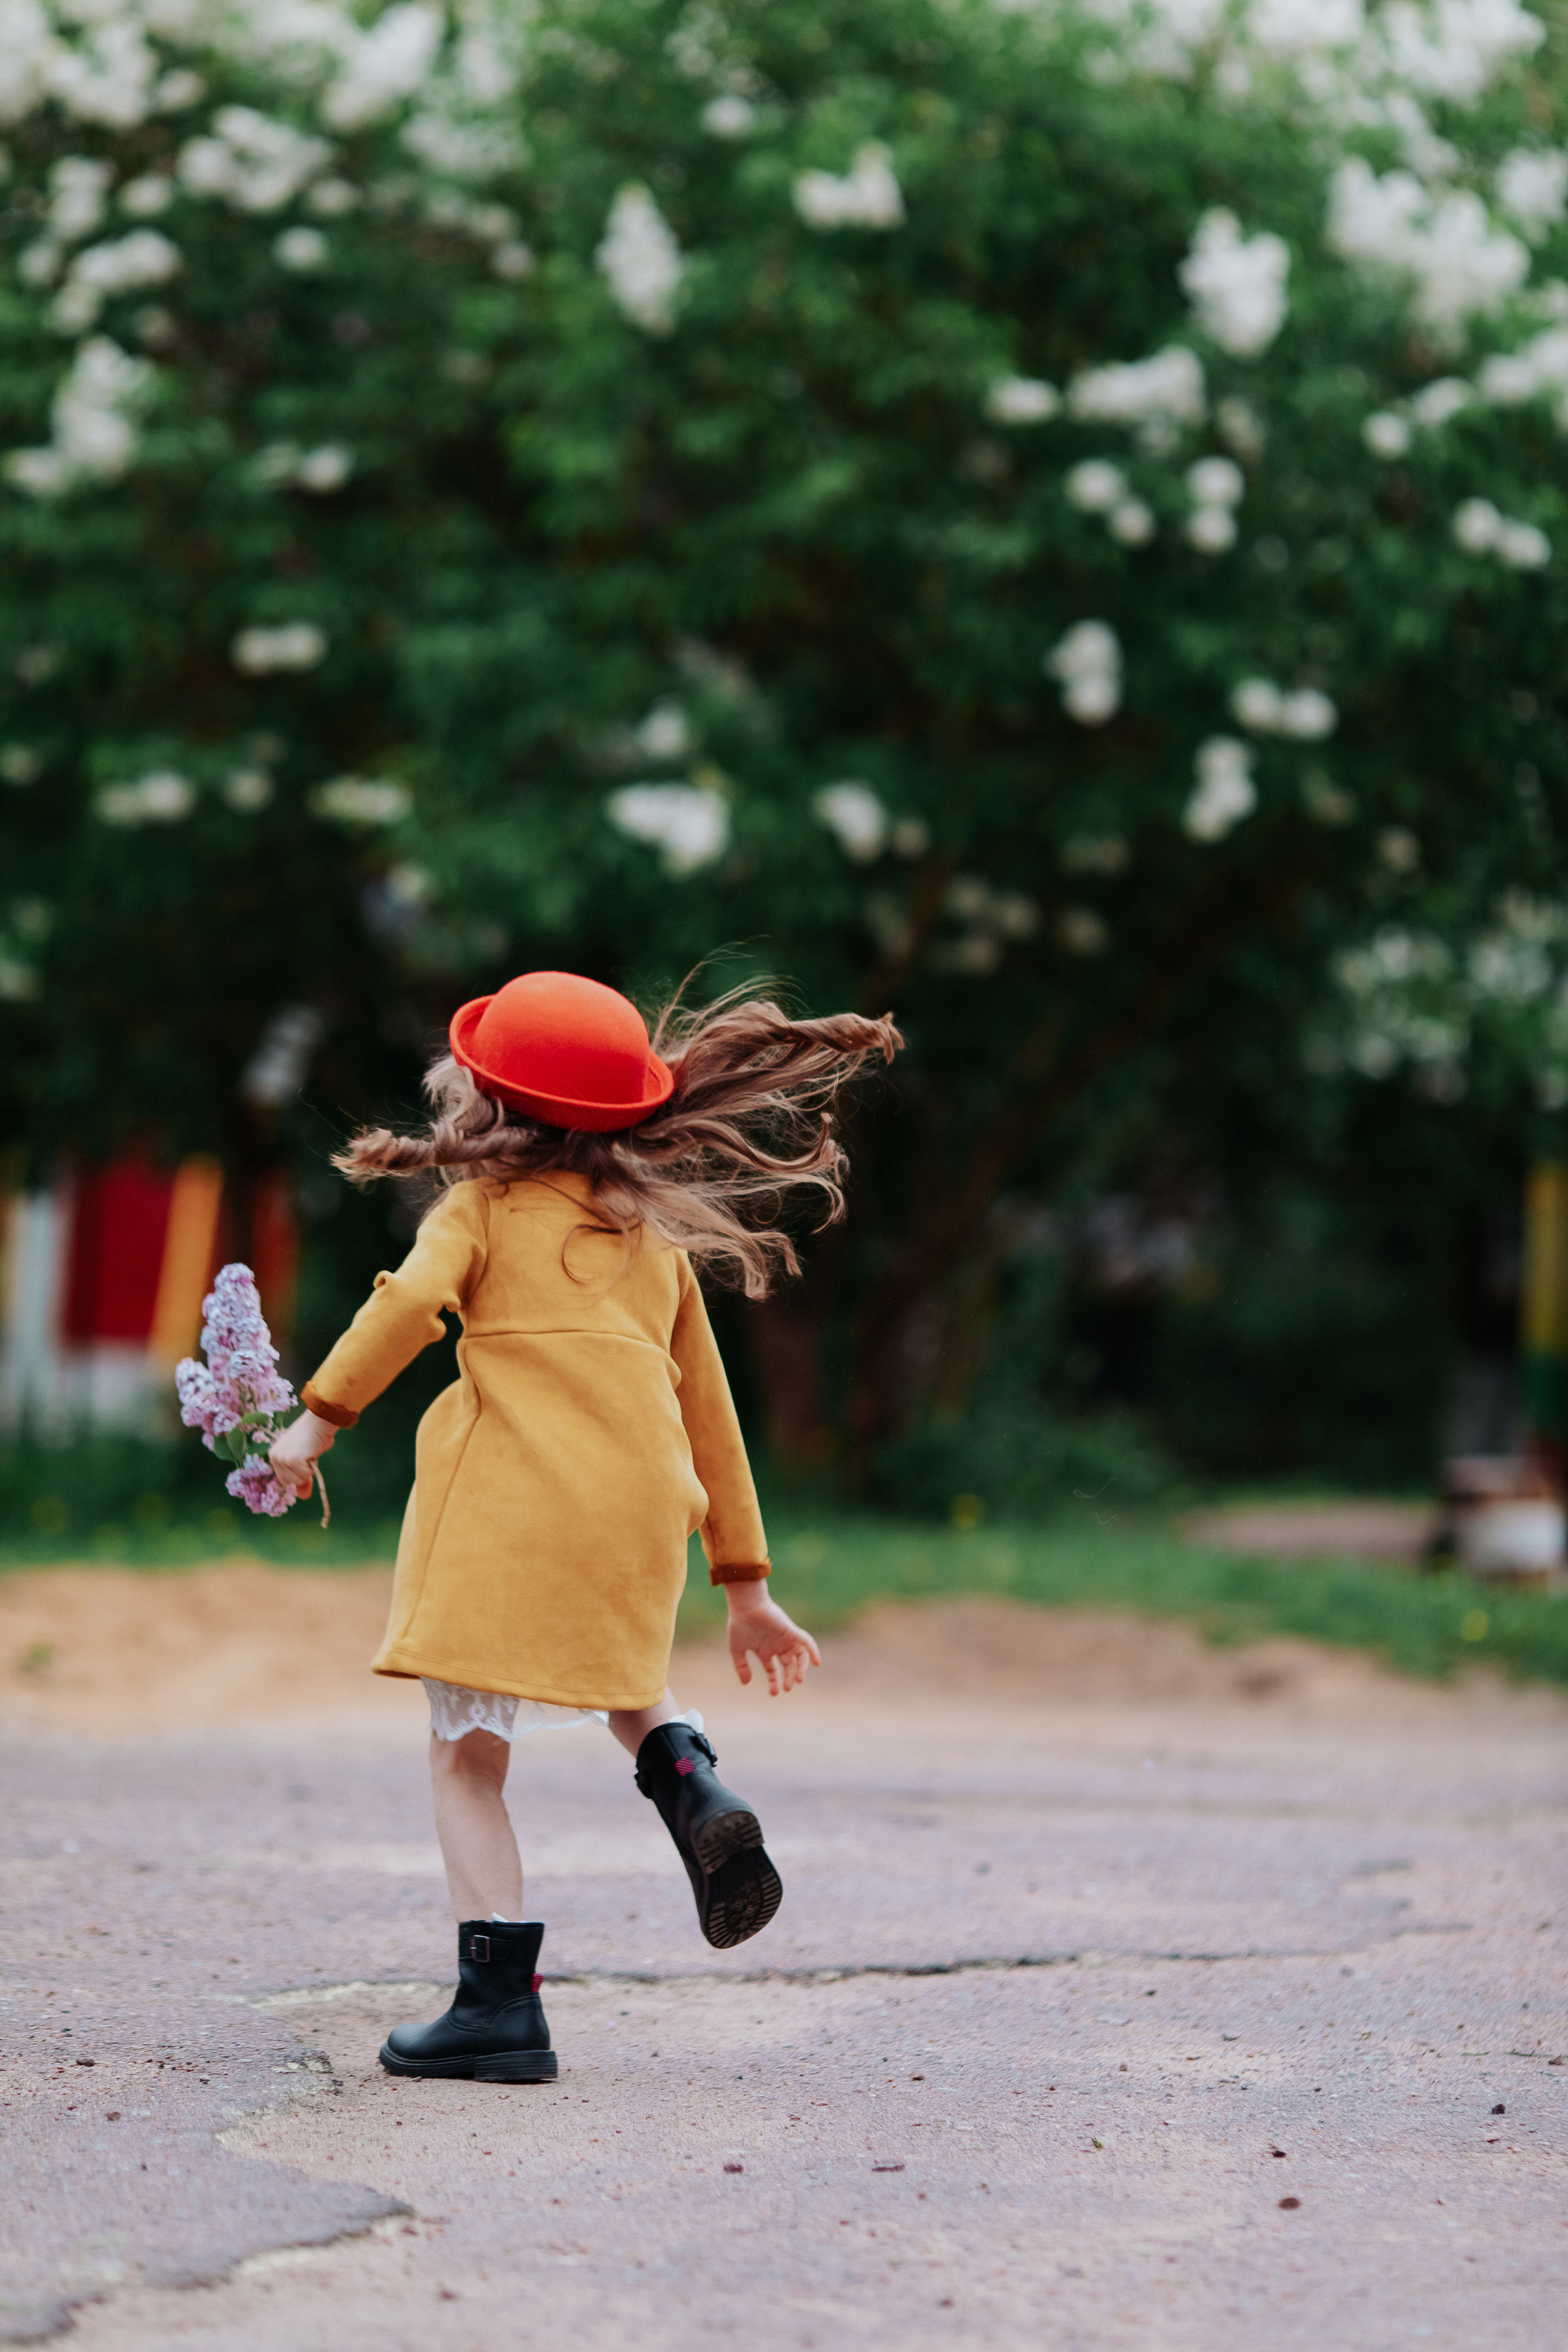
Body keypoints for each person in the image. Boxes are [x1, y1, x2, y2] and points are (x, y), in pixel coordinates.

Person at [268, 969, 900, 2083]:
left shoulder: (479, 1210)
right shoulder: (652, 1243)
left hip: (513, 1507)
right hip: (643, 1507)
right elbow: (711, 1411)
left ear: (488, 1107)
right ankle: (689, 1776)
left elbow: (409, 1308)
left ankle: (497, 2010)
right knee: (619, 1676)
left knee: (467, 1758)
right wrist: (746, 1587)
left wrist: (317, 1421)